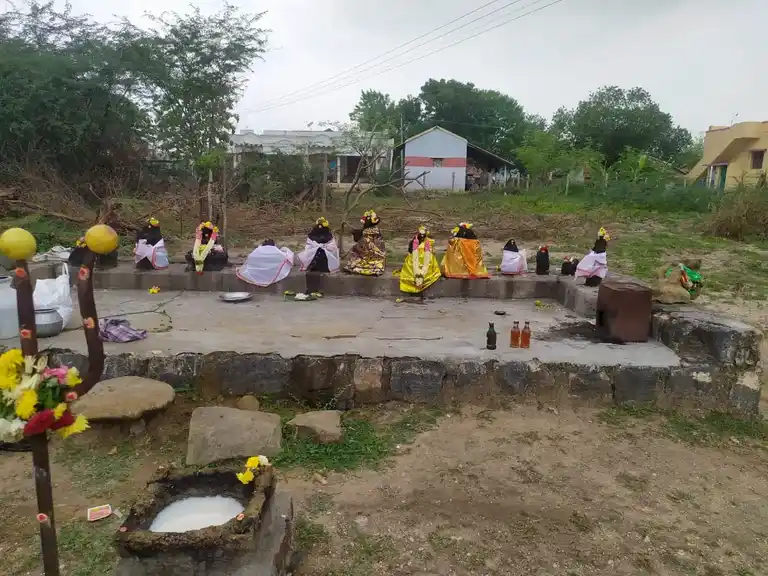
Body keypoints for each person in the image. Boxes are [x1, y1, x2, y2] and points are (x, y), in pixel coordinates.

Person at [399, 226, 441, 294]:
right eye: (420, 234)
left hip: (426, 259)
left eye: (423, 235)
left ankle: (421, 278)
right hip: (415, 258)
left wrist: (429, 251)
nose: (421, 236)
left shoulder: (427, 242)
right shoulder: (414, 241)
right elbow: (410, 251)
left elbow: (430, 251)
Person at [344, 210, 386, 276]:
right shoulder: (376, 230)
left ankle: (360, 265)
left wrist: (355, 233)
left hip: (368, 255)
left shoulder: (366, 233)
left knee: (355, 249)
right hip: (379, 256)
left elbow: (362, 245)